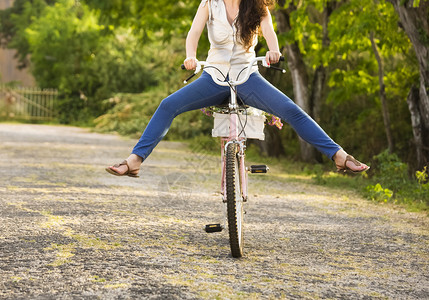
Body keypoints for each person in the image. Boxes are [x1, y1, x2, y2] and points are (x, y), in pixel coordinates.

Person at [106, 0, 369, 177]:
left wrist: (274, 51)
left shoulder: (257, 5)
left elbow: (269, 32)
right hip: (214, 77)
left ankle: (338, 155)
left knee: (291, 110)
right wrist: (190, 56)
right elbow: (194, 33)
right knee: (168, 105)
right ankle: (135, 161)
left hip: (247, 77)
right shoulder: (210, 3)